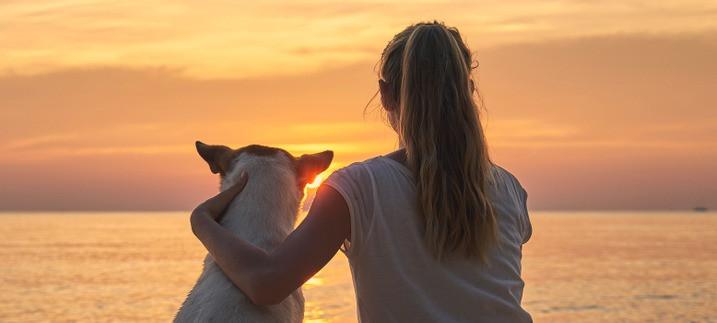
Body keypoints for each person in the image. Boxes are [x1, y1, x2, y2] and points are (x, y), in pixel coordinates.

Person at [189, 21, 532, 322]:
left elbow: (266, 283)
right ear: (469, 92)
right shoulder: (511, 191)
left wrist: (202, 222)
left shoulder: (359, 188)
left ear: (385, 95)